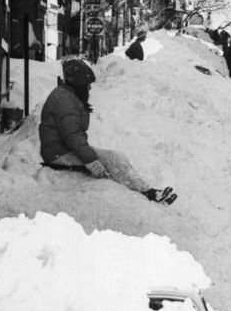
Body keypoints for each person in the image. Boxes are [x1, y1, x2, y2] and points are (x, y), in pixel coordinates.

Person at [39, 59, 177, 205]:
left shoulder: (67, 96)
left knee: (114, 159)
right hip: (58, 154)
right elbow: (73, 137)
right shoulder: (64, 101)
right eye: (87, 85)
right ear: (78, 83)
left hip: (60, 150)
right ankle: (147, 193)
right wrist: (91, 161)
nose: (89, 89)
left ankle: (146, 191)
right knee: (113, 160)